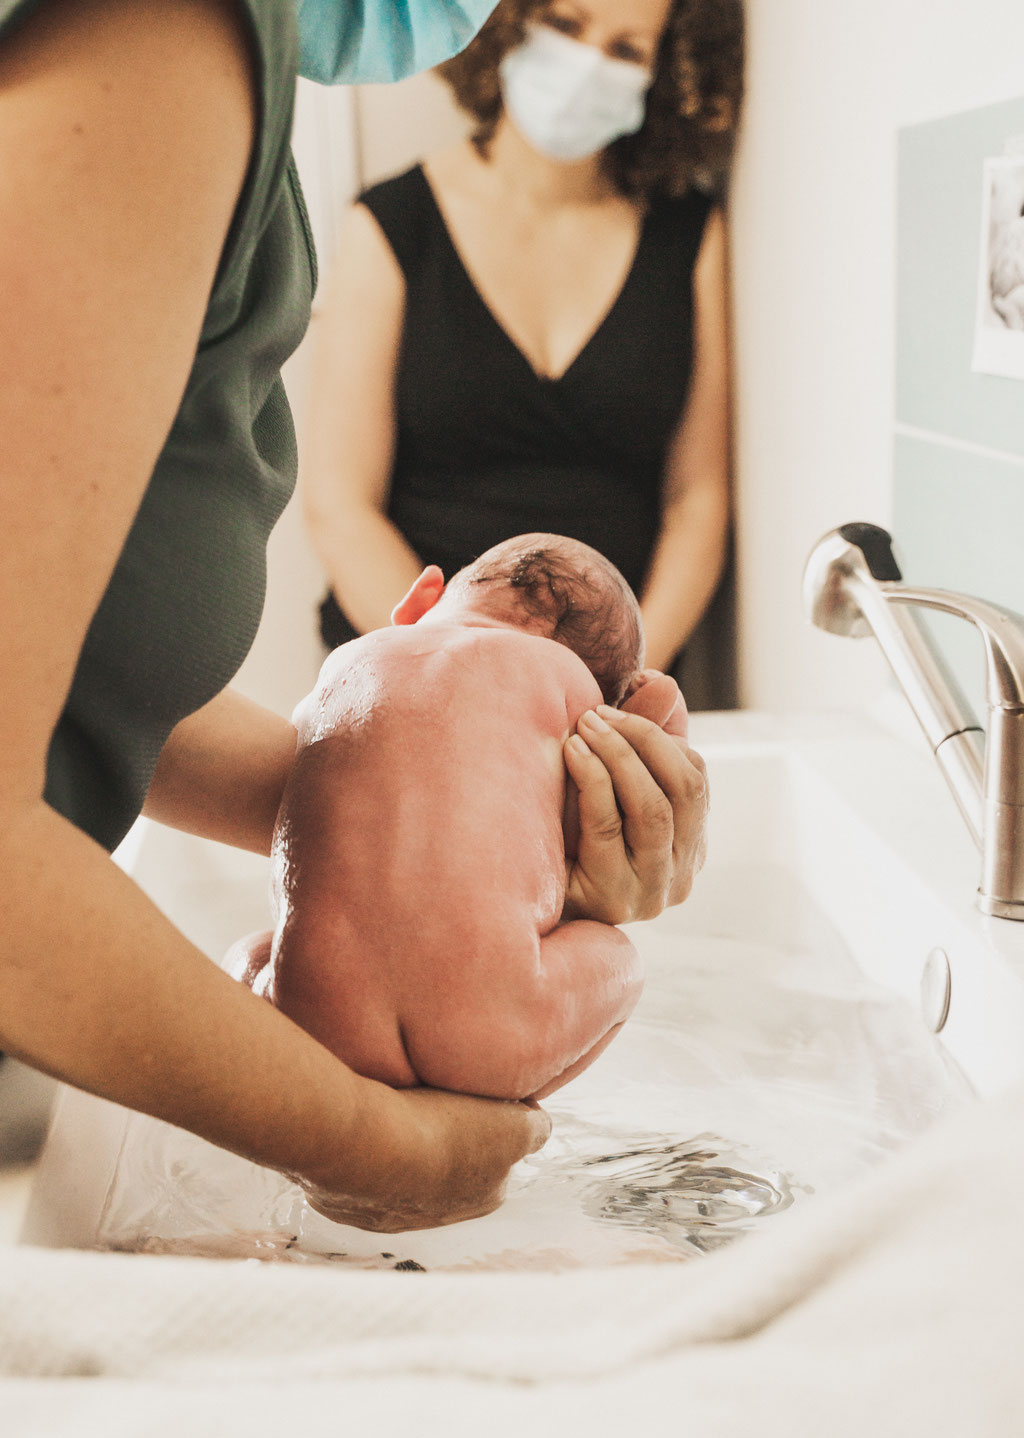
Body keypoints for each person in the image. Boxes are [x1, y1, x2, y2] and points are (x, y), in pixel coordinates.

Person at [0, 0, 709, 1234]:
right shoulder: (163, 39)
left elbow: (68, 681)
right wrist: (372, 1141)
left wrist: (452, 813)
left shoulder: (208, 75)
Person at [305, 0, 742, 703]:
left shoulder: (690, 236)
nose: (587, 65)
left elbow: (698, 502)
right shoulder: (390, 225)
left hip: (616, 700)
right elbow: (340, 504)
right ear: (503, 21)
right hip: (410, 679)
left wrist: (620, 684)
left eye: (627, 51)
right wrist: (457, 669)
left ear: (665, 74)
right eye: (567, 26)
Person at [227, 534, 691, 1103]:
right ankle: (498, 1102)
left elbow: (301, 771)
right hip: (486, 1029)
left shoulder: (348, 660)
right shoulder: (573, 694)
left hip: (318, 1016)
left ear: (420, 602)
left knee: (251, 955)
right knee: (621, 959)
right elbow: (592, 824)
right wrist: (665, 721)